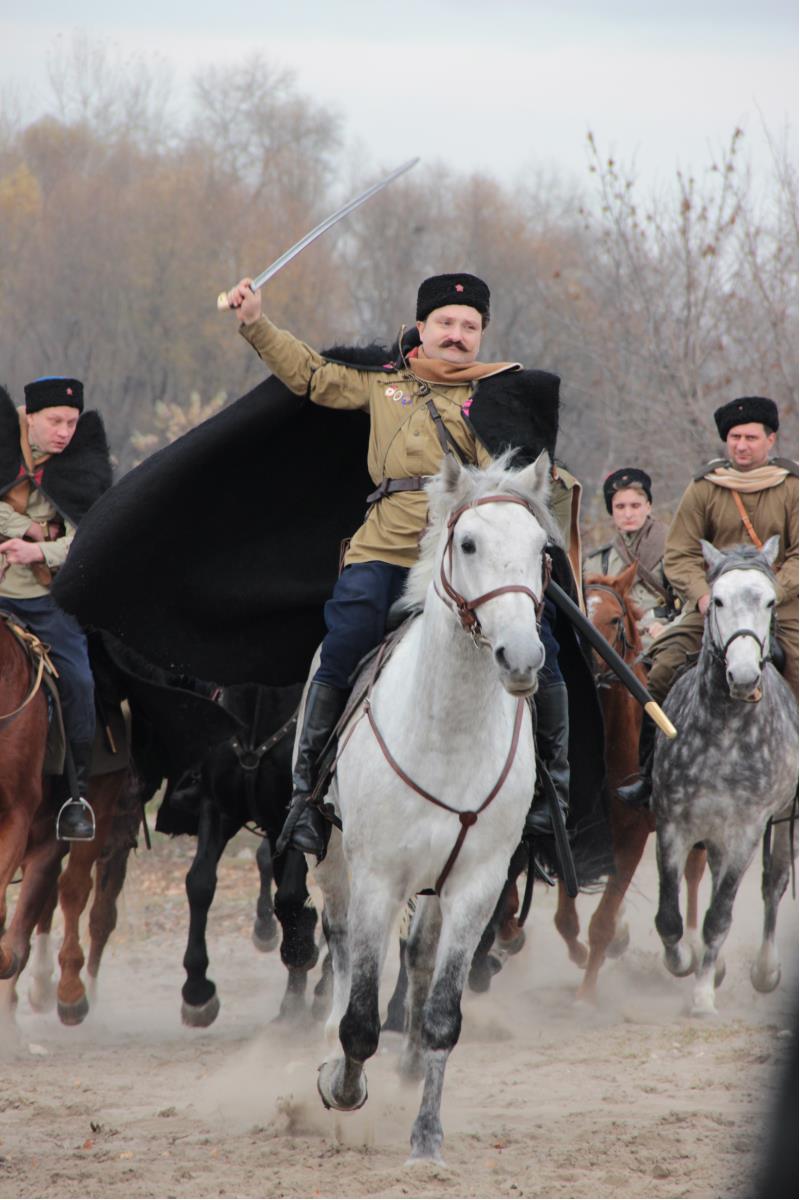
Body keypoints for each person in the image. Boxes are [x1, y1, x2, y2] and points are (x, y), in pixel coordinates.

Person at [225, 272, 578, 862]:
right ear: (422, 327)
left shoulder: (499, 395)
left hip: (469, 555)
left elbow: (522, 483)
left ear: (482, 334)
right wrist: (256, 324)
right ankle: (307, 796)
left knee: (540, 642)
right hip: (387, 545)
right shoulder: (383, 384)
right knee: (347, 636)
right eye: (446, 323)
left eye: (469, 326)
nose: (457, 335)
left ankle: (552, 797)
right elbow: (310, 374)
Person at [619, 395, 798, 806]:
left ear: (770, 439)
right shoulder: (705, 488)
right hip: (714, 607)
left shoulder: (792, 487)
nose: (741, 445)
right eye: (735, 437)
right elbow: (679, 553)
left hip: (779, 607)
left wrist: (771, 592)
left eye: (751, 437)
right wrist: (702, 597)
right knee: (660, 670)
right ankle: (649, 772)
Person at [0, 377, 112, 839]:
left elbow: (88, 539)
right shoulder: (4, 450)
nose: (65, 432)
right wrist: (28, 527)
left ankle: (75, 796)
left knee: (81, 682)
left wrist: (39, 550)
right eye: (55, 421)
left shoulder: (84, 467)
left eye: (72, 422)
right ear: (30, 417)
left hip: (46, 602)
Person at [584, 467, 676, 650]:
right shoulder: (598, 561)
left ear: (648, 506)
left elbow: (693, 605)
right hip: (617, 643)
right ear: (611, 510)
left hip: (662, 639)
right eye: (620, 507)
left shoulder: (673, 549)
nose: (628, 514)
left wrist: (670, 629)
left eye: (635, 506)